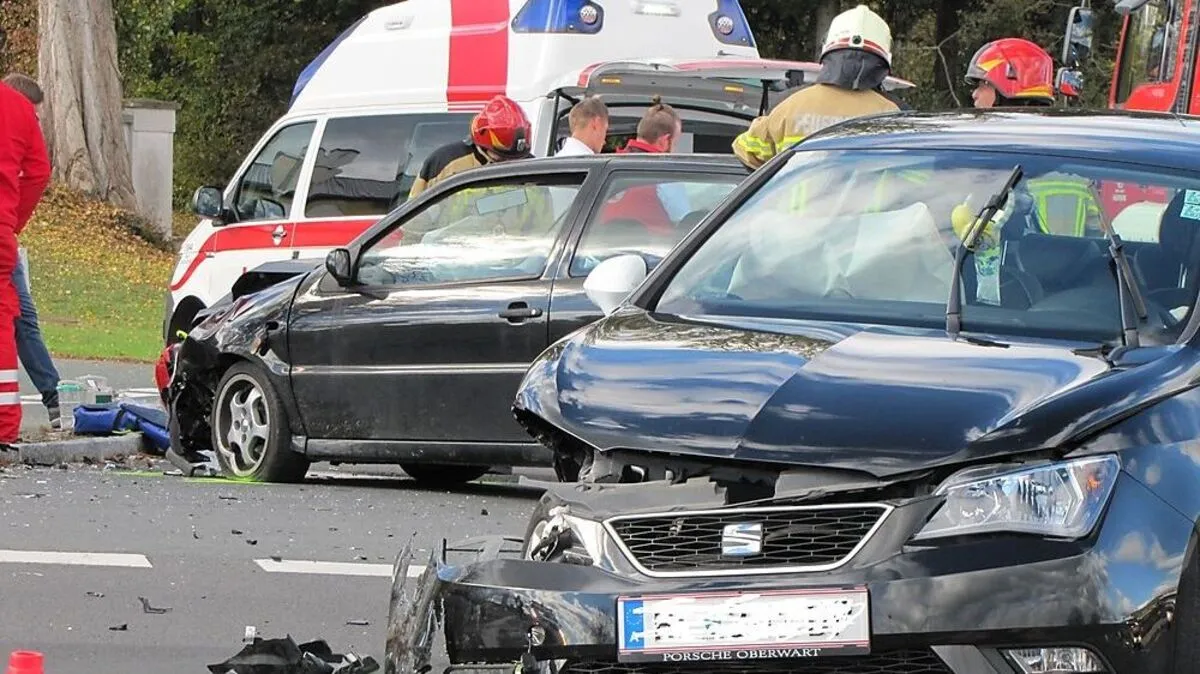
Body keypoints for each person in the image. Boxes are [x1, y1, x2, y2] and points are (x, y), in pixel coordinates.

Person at [732, 4, 901, 169]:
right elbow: (916, 176)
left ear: (827, 50)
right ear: (884, 60)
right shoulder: (894, 116)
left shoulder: (789, 105)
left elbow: (746, 150)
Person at [966, 38, 1101, 238]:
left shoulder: (976, 161)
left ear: (1006, 86)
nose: (974, 94)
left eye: (982, 84)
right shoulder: (1072, 169)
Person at [3, 73, 61, 429]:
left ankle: (53, 395)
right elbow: (38, 174)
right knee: (22, 317)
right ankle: (53, 397)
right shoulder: (18, 118)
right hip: (4, 231)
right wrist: (12, 222)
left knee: (22, 316)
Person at [407, 94, 534, 200]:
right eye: (500, 159)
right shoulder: (444, 164)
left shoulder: (534, 170)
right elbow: (414, 219)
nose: (508, 165)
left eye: (517, 160)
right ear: (483, 147)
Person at [596, 96, 688, 235]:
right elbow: (687, 223)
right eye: (675, 143)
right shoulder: (666, 177)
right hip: (656, 253)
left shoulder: (605, 167)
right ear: (664, 140)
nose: (674, 149)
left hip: (598, 251)